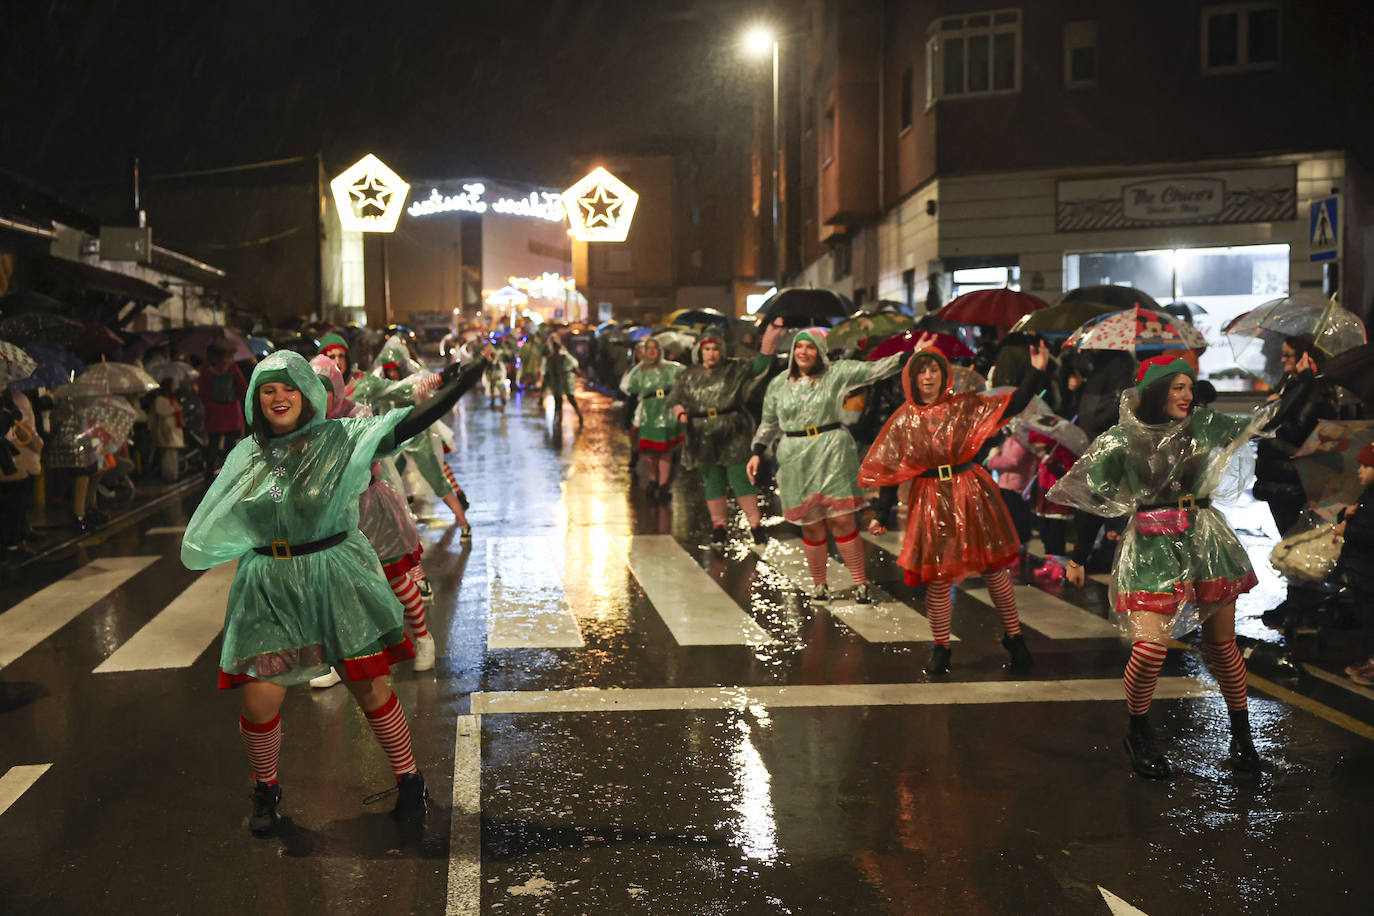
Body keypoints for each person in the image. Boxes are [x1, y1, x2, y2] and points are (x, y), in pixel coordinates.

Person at [181, 348, 488, 836]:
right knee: (259, 702)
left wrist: (460, 383)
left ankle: (409, 779)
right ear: (255, 401)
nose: (279, 397)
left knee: (370, 688)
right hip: (270, 584)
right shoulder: (247, 455)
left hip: (334, 575)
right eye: (268, 390)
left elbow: (404, 425)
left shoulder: (341, 438)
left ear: (308, 394)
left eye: (288, 388)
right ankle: (266, 788)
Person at [1049, 356, 1278, 779]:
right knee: (1150, 648)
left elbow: (1263, 423)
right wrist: (1079, 555)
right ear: (1154, 392)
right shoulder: (1122, 440)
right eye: (1176, 387)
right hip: (1152, 548)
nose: (1186, 395)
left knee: (1222, 647)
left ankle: (1242, 737)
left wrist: (1299, 387)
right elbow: (1093, 501)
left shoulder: (1202, 426)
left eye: (1189, 386)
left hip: (1205, 539)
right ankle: (1138, 730)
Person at [858, 343, 1050, 674]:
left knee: (993, 570)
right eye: (921, 371)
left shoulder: (965, 406)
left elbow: (1013, 404)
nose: (928, 376)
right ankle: (941, 646)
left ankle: (1015, 637)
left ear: (945, 374)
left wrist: (1036, 371)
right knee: (939, 576)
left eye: (933, 369)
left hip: (971, 491)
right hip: (931, 498)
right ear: (912, 379)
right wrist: (881, 513)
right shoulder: (903, 419)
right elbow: (891, 468)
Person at [747, 328, 905, 603]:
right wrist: (757, 451)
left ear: (819, 351)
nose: (803, 353)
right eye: (799, 347)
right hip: (795, 457)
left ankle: (860, 582)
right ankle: (820, 584)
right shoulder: (778, 384)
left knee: (842, 519)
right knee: (811, 524)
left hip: (832, 450)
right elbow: (769, 421)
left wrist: (909, 355)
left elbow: (874, 370)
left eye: (810, 347)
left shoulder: (836, 374)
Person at [307, 355, 437, 681]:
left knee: (396, 578)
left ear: (335, 387)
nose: (318, 396)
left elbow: (370, 454)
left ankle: (423, 638)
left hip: (369, 508)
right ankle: (340, 659)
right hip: (329, 515)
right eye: (311, 388)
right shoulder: (303, 421)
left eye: (324, 388)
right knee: (338, 588)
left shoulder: (357, 413)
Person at [668, 320, 781, 540]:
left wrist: (771, 336)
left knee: (740, 477)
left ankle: (755, 525)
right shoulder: (689, 375)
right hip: (702, 433)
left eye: (716, 349)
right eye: (707, 349)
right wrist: (680, 413)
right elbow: (677, 398)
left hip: (733, 430)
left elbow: (759, 365)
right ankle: (718, 526)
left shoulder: (735, 368)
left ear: (723, 350)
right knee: (712, 480)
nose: (711, 354)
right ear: (700, 350)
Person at [353, 336, 474, 538]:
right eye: (388, 369)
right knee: (387, 484)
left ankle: (463, 522)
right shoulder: (377, 384)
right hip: (393, 441)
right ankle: (397, 532)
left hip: (418, 437)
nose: (392, 373)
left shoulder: (411, 379)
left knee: (437, 479)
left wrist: (439, 382)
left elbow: (426, 398)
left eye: (395, 369)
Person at [1253, 334, 1341, 536]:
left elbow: (1295, 430)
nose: (1283, 359)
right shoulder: (1295, 386)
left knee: (1295, 539)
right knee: (1290, 538)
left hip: (1294, 477)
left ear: (1305, 357)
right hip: (1285, 474)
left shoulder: (1312, 387)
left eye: (1288, 355)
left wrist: (1277, 409)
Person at [621, 338, 685, 501]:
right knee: (651, 450)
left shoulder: (671, 369)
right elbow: (630, 392)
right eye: (648, 348)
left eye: (654, 348)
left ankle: (663, 484)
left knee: (665, 449)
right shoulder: (638, 372)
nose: (651, 351)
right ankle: (653, 479)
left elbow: (686, 377)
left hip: (666, 409)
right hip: (649, 412)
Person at [1334, 444, 1374, 685]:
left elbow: (1369, 532)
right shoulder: (1367, 494)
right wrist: (1346, 515)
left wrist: (1349, 529)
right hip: (1363, 570)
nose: (1360, 471)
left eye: (1367, 466)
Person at [1, 385, 43, 562]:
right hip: (10, 461)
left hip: (12, 461)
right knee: (12, 504)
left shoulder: (10, 401)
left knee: (14, 503)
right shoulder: (10, 402)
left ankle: (14, 541)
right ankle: (12, 544)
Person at [196, 345, 248, 474]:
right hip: (231, 410)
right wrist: (234, 398)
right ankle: (228, 471)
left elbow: (202, 392)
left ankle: (209, 470)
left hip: (213, 411)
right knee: (230, 443)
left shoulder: (205, 370)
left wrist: (209, 402)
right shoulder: (232, 367)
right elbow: (243, 387)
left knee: (213, 442)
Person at [150, 379, 184, 482]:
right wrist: (174, 409)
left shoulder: (172, 399)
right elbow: (161, 412)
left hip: (174, 429)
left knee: (173, 454)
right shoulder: (160, 399)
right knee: (168, 454)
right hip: (166, 429)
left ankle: (174, 475)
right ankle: (169, 476)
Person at [543, 338, 582, 424]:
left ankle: (579, 416)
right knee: (558, 400)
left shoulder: (565, 357)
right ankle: (559, 418)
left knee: (571, 399)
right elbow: (548, 372)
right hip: (556, 383)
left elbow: (573, 367)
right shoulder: (551, 359)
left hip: (565, 381)